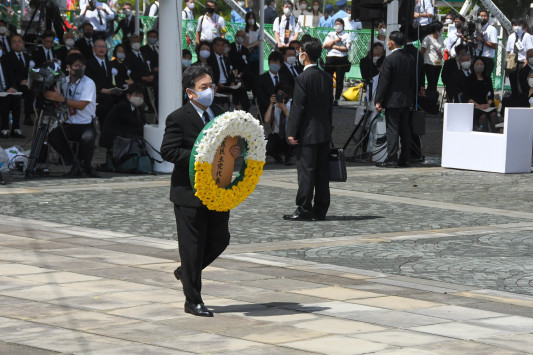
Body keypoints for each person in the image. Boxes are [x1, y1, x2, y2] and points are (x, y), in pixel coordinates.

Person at [161, 65, 239, 317]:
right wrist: (198, 155)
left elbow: (226, 145)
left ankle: (186, 272)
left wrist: (234, 151)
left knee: (220, 239)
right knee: (192, 247)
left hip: (217, 190)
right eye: (203, 88)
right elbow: (169, 151)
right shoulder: (178, 118)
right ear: (190, 93)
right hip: (189, 192)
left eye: (211, 86)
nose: (210, 91)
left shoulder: (219, 112)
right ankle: (192, 300)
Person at [284, 37, 333, 221]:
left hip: (307, 133)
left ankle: (304, 208)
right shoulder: (327, 77)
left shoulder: (302, 78)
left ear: (304, 55)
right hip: (323, 132)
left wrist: (291, 132)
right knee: (322, 173)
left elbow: (298, 108)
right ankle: (321, 209)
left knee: (306, 172)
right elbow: (329, 107)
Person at [44, 53, 99, 177]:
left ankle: (86, 164)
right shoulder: (64, 81)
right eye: (76, 66)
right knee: (53, 136)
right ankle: (76, 163)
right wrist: (56, 101)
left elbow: (82, 105)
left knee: (88, 137)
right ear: (68, 67)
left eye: (82, 66)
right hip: (69, 122)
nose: (79, 69)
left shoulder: (88, 83)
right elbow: (61, 100)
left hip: (86, 123)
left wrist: (61, 99)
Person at [374, 31, 415, 168]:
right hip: (406, 98)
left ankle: (391, 157)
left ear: (392, 42)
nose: (387, 42)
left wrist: (378, 100)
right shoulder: (409, 57)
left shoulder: (390, 59)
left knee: (392, 129)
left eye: (388, 40)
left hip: (392, 99)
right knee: (405, 129)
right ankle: (405, 158)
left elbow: (384, 82)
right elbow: (412, 80)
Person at [207, 37, 250, 112]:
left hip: (227, 84)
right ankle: (236, 107)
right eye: (218, 45)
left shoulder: (226, 59)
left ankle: (245, 112)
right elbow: (209, 74)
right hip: (217, 85)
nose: (220, 47)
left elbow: (231, 73)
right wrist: (217, 83)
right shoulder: (210, 59)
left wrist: (232, 81)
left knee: (241, 89)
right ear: (214, 46)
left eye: (222, 45)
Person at [99, 83, 144, 151]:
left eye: (141, 96)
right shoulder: (123, 106)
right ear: (128, 96)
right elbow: (134, 123)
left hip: (121, 131)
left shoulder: (136, 107)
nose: (139, 98)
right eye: (136, 95)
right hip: (113, 137)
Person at [5, 34, 31, 133]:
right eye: (14, 42)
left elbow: (29, 71)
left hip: (27, 83)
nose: (17, 44)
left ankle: (29, 116)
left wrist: (29, 80)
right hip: (14, 85)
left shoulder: (27, 56)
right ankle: (15, 127)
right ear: (11, 44)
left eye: (19, 41)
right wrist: (19, 82)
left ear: (23, 43)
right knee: (15, 97)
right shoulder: (7, 57)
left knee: (35, 91)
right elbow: (8, 73)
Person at [463, 57, 498, 132]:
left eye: (481, 64)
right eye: (477, 64)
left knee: (493, 115)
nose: (479, 66)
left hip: (486, 104)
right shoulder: (469, 79)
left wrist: (488, 104)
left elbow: (491, 95)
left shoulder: (488, 79)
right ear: (473, 66)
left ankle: (497, 134)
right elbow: (467, 97)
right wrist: (478, 106)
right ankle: (484, 134)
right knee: (483, 117)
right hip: (474, 105)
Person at [84, 38, 114, 125]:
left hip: (111, 91)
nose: (102, 49)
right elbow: (88, 81)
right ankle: (105, 127)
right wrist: (101, 89)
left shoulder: (110, 63)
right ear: (94, 49)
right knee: (107, 100)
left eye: (104, 47)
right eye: (99, 46)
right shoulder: (89, 63)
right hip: (96, 93)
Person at [264, 82, 294, 165]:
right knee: (267, 146)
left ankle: (289, 157)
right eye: (279, 94)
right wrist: (271, 104)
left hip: (290, 135)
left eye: (283, 95)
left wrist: (284, 109)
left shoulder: (292, 104)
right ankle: (277, 157)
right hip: (277, 135)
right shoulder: (275, 106)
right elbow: (266, 120)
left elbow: (294, 121)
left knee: (291, 139)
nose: (281, 97)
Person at [323, 18, 351, 106]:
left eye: (339, 24)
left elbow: (347, 49)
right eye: (336, 24)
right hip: (330, 58)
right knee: (328, 79)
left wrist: (334, 46)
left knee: (339, 80)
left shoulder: (346, 35)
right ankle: (328, 97)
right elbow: (325, 46)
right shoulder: (330, 34)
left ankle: (337, 98)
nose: (337, 26)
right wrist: (335, 41)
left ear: (343, 25)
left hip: (341, 58)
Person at [255, 51, 285, 119]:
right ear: (268, 63)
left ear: (281, 65)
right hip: (267, 110)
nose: (274, 64)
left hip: (283, 109)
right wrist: (273, 105)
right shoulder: (260, 79)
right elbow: (260, 99)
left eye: (277, 62)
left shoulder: (284, 79)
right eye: (272, 62)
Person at [420, 21, 444, 94]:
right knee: (431, 82)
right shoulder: (427, 38)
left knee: (435, 82)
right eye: (440, 29)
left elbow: (441, 48)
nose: (442, 30)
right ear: (436, 29)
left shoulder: (440, 38)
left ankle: (434, 97)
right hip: (429, 63)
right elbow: (422, 51)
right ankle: (430, 97)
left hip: (438, 63)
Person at [475, 9, 498, 78]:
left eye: (485, 16)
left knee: (484, 80)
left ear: (488, 17)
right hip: (477, 57)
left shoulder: (491, 29)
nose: (483, 17)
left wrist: (482, 41)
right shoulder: (476, 28)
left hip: (487, 59)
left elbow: (494, 45)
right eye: (481, 16)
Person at [0, 51, 17, 138]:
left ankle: (13, 129)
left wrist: (12, 87)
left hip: (5, 90)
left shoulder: (5, 62)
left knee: (13, 99)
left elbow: (12, 76)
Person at [244, 12, 261, 77]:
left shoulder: (258, 30)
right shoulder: (244, 30)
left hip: (256, 54)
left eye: (252, 18)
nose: (251, 19)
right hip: (247, 54)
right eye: (249, 18)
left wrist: (250, 46)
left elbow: (260, 41)